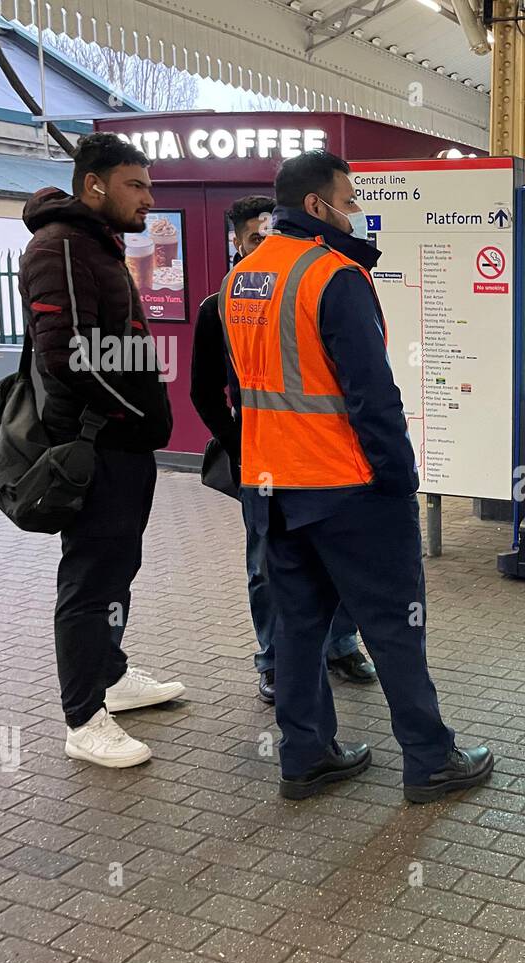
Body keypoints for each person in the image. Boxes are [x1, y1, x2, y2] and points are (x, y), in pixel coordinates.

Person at [219, 150, 493, 802]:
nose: (356, 209)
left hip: (271, 489)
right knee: (396, 623)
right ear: (316, 206)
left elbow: (240, 390)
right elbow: (373, 395)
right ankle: (430, 759)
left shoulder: (242, 279)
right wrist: (400, 476)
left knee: (299, 625)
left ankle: (306, 754)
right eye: (349, 198)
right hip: (346, 486)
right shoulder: (333, 276)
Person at [19, 132, 184, 769]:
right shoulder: (59, 246)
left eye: (147, 185)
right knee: (90, 580)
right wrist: (138, 409)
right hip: (97, 445)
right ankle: (83, 717)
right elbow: (66, 352)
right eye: (135, 186)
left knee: (118, 568)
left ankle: (111, 675)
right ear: (95, 185)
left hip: (123, 443)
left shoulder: (96, 245)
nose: (148, 198)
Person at [189, 194, 377, 704]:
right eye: (254, 239)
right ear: (237, 243)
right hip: (264, 469)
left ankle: (339, 644)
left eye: (271, 236)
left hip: (322, 461)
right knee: (267, 568)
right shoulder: (220, 306)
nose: (265, 248)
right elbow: (203, 393)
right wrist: (241, 449)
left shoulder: (312, 294)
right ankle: (273, 660)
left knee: (337, 559)